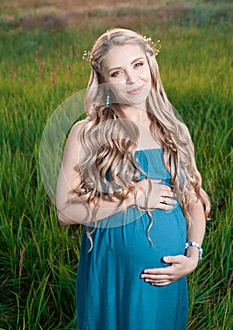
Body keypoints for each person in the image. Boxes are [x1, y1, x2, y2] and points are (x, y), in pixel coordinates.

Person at [56, 28, 210, 330]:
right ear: (103, 83)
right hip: (112, 272)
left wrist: (193, 254)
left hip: (167, 275)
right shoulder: (87, 133)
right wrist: (131, 195)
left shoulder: (174, 131)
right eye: (117, 72)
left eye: (138, 64)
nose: (132, 78)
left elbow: (193, 201)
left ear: (150, 64)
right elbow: (65, 211)